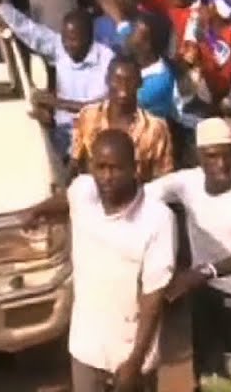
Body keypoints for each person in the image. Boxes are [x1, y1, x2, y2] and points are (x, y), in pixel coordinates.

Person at [25, 130, 174, 392]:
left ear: (134, 169)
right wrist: (38, 211)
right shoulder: (84, 191)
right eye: (101, 167)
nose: (106, 177)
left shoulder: (158, 219)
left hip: (130, 358)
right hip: (86, 350)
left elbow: (153, 299)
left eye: (116, 168)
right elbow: (66, 201)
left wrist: (135, 362)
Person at [145, 118, 231, 391]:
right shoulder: (185, 183)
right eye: (212, 156)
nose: (221, 164)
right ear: (198, 156)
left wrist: (200, 273)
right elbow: (141, 197)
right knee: (206, 373)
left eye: (228, 155)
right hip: (205, 293)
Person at [0, 0, 113, 160]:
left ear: (88, 37)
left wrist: (55, 103)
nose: (67, 45)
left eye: (73, 40)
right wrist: (1, 7)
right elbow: (32, 33)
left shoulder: (107, 61)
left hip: (92, 146)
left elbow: (95, 108)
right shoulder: (61, 47)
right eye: (65, 38)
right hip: (60, 139)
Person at [70, 56, 175, 183]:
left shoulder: (155, 128)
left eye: (130, 81)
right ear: (107, 80)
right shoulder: (88, 116)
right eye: (117, 80)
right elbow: (75, 162)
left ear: (140, 83)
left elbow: (163, 179)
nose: (123, 88)